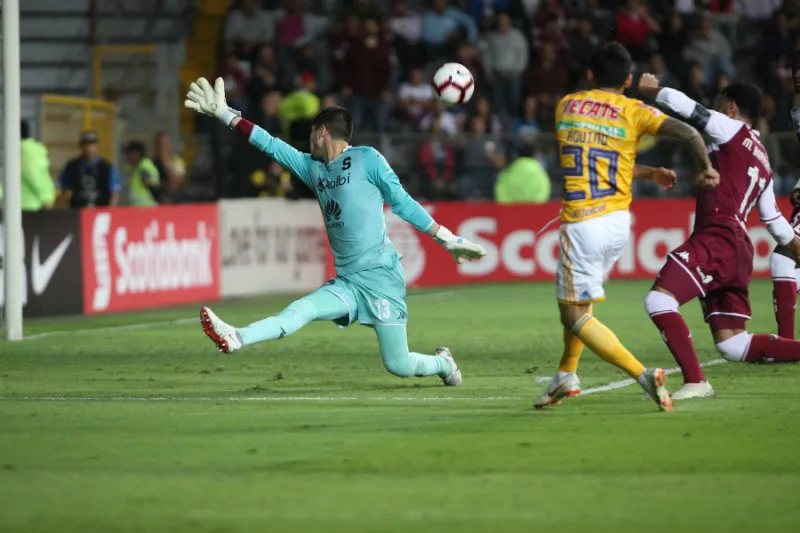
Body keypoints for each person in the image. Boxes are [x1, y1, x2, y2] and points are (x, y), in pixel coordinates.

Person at [184, 77, 487, 384]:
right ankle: (237, 336)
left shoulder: (367, 159)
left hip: (382, 279)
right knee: (300, 310)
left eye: (312, 133)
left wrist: (449, 238)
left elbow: (404, 203)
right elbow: (270, 144)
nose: (309, 140)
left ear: (322, 132)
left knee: (399, 364)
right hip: (348, 283)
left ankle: (444, 364)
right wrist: (224, 114)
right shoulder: (312, 167)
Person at [534, 42, 716, 412]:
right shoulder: (633, 110)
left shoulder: (567, 106)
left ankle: (642, 374)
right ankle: (566, 374)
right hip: (618, 222)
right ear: (629, 80)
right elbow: (689, 134)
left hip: (583, 222)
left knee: (573, 315)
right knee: (576, 303)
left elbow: (589, 158)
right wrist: (704, 168)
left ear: (589, 75)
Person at [638, 73, 800, 401]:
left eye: (719, 104)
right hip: (740, 249)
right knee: (732, 344)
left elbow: (684, 107)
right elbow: (777, 225)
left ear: (731, 107)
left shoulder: (730, 128)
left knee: (659, 300)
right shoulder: (764, 163)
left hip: (718, 237)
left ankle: (696, 381)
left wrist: (651, 90)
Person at [769, 51, 800, 340]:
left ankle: (787, 344)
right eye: (795, 72)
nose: (798, 77)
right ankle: (787, 342)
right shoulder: (796, 112)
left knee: (783, 259)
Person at [57, 131, 120, 208]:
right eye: (86, 145)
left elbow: (114, 194)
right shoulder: (72, 166)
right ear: (80, 146)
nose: (89, 148)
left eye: (92, 145)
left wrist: (110, 212)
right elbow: (63, 191)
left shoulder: (106, 167)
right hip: (77, 211)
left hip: (100, 212)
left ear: (97, 146)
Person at [20, 120, 55, 211]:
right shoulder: (30, 149)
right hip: (28, 203)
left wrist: (45, 198)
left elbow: (33, 174)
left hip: (29, 205)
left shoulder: (26, 150)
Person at [124, 141, 161, 207]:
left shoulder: (144, 167)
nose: (128, 157)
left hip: (147, 207)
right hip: (139, 207)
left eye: (130, 154)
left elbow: (153, 186)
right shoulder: (136, 167)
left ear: (137, 154)